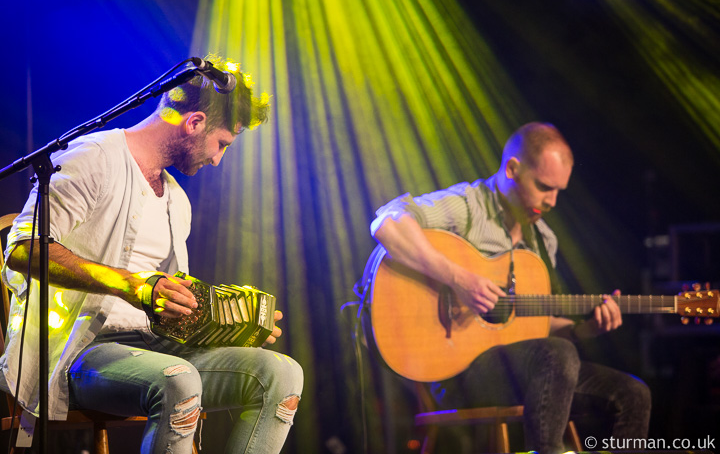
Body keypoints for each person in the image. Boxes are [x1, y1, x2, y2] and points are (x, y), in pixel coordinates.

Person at [0, 56, 303, 454]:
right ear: (193, 122)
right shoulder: (93, 157)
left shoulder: (178, 201)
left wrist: (231, 328)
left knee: (280, 374)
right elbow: (22, 249)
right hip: (78, 352)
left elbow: (172, 309)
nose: (217, 159)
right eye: (222, 144)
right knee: (179, 379)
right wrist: (133, 285)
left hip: (154, 347)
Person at [370, 122, 650, 454]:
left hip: (530, 373)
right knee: (557, 356)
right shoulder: (469, 205)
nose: (552, 201)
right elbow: (387, 221)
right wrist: (459, 279)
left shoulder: (544, 241)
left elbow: (535, 330)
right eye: (545, 187)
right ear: (513, 169)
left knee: (633, 394)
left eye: (559, 191)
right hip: (456, 375)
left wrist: (585, 329)